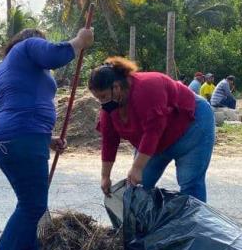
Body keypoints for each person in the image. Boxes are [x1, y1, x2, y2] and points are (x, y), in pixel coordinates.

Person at [0, 26, 94, 250]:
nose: (45, 46)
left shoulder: (13, 66)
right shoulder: (29, 46)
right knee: (32, 206)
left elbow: (18, 103)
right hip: (19, 137)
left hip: (16, 137)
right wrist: (78, 42)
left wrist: (48, 138)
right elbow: (54, 54)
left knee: (30, 205)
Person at [90, 57, 215, 204]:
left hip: (192, 125)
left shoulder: (147, 87)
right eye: (98, 98)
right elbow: (109, 141)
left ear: (116, 87)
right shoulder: (109, 108)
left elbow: (153, 131)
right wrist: (105, 176)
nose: (101, 102)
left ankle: (193, 226)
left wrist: (137, 167)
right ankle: (137, 227)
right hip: (156, 141)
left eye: (103, 96)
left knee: (190, 185)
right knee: (139, 187)